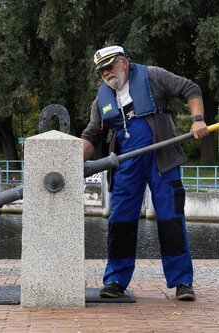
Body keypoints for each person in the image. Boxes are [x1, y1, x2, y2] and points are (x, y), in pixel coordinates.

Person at [81, 45, 209, 301]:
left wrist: (197, 118)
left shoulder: (153, 76)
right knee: (120, 221)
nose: (106, 73)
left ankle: (182, 282)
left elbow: (190, 90)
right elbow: (92, 135)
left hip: (162, 159)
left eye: (110, 66)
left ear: (124, 63)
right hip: (126, 165)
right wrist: (71, 160)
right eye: (101, 71)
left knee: (170, 219)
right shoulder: (101, 101)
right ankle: (116, 280)